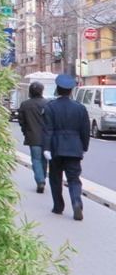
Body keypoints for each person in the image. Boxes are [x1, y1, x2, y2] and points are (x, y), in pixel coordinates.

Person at [43, 74, 90, 220]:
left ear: (57, 89)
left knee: (55, 178)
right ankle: (76, 202)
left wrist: (46, 148)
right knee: (74, 179)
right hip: (74, 148)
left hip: (56, 147)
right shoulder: (80, 108)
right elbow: (85, 130)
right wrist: (84, 146)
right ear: (71, 91)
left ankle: (58, 207)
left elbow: (47, 129)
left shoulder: (50, 107)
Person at [17, 81, 49, 193]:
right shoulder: (48, 103)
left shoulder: (25, 105)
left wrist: (25, 132)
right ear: (42, 91)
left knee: (36, 159)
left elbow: (21, 121)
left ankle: (40, 181)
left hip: (32, 136)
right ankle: (42, 178)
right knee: (44, 160)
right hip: (46, 138)